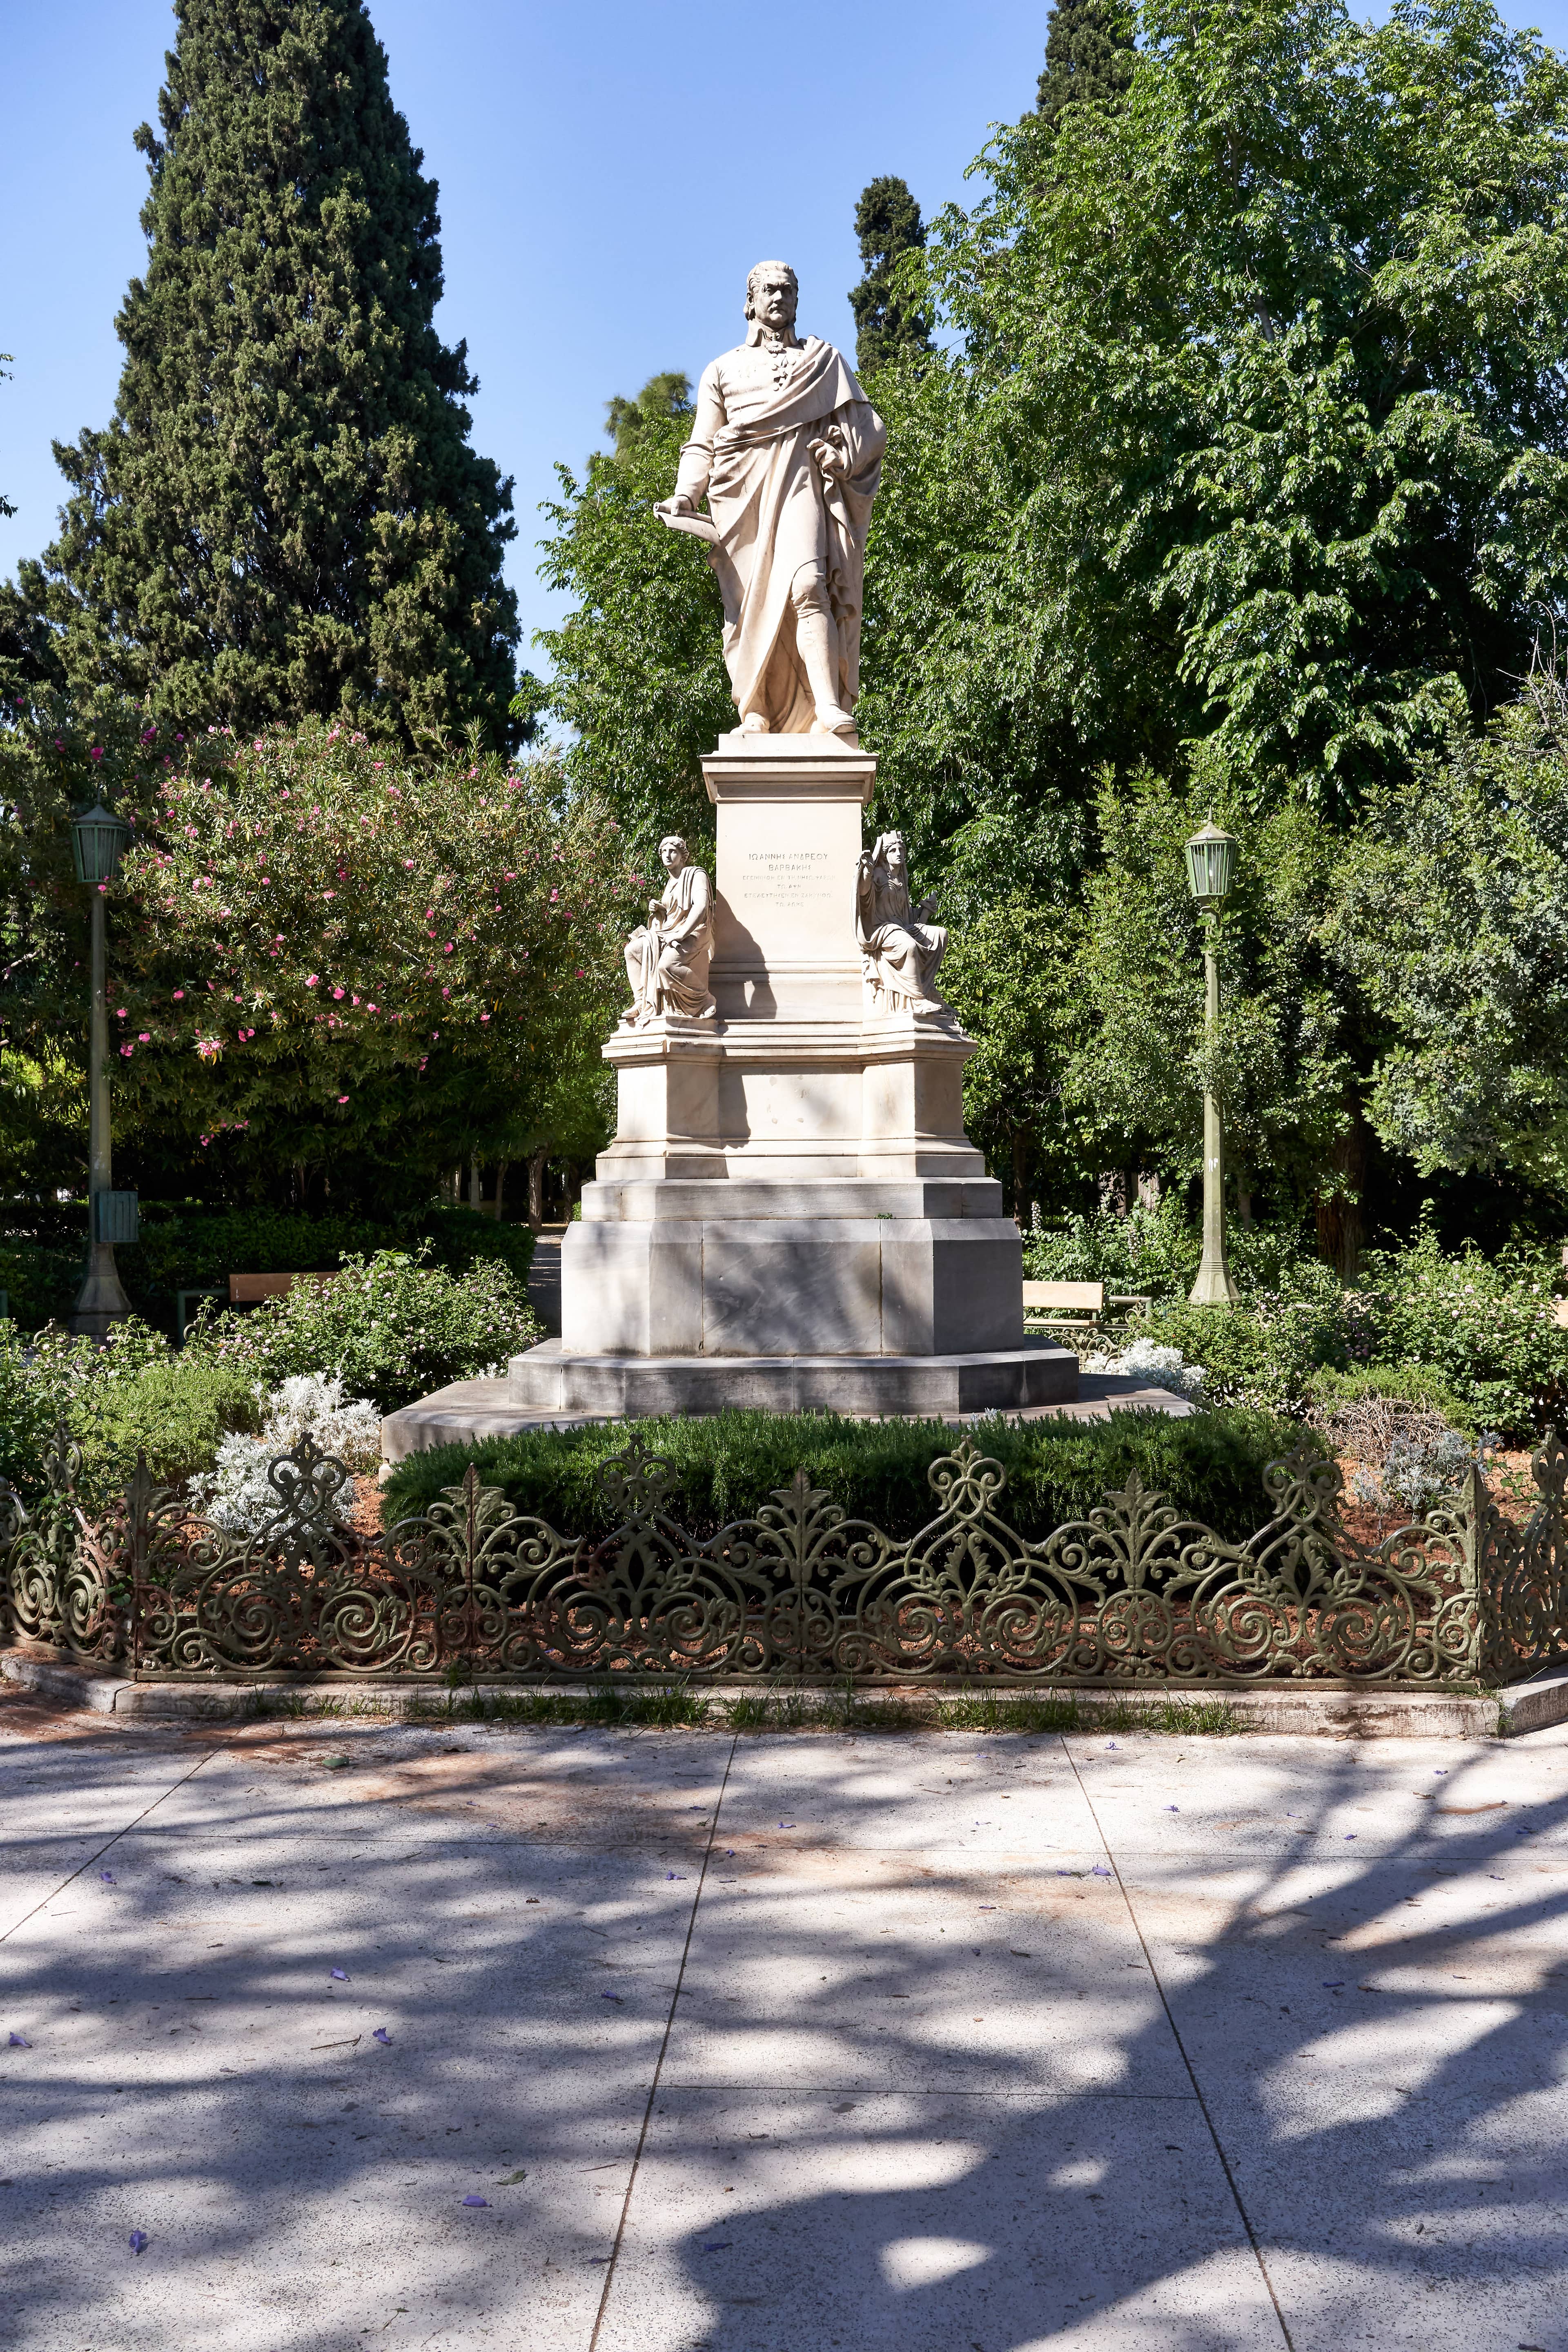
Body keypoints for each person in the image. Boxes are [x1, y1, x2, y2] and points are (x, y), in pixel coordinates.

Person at [655, 261, 885, 744]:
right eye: (768, 290)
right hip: (741, 500)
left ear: (797, 299)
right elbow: (703, 444)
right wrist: (685, 493)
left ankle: (827, 704)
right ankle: (755, 710)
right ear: (751, 301)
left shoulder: (824, 362)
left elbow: (870, 429)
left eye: (787, 290)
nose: (778, 298)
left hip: (800, 483)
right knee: (751, 606)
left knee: (809, 585)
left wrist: (841, 453)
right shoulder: (722, 369)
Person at [621, 835, 716, 1025]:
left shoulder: (696, 875)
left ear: (683, 856)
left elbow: (701, 906)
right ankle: (641, 1002)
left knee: (667, 966)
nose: (667, 855)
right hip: (669, 931)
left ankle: (705, 999)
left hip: (695, 931)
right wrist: (660, 910)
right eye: (664, 851)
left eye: (673, 851)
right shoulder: (670, 883)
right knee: (632, 951)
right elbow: (674, 913)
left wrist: (681, 934)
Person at [855, 831, 947, 1015]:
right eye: (893, 850)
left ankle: (929, 991)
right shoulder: (879, 874)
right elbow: (864, 894)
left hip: (902, 927)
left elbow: (904, 915)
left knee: (940, 934)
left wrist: (925, 910)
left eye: (901, 850)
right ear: (885, 854)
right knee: (909, 946)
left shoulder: (902, 878)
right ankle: (919, 1000)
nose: (899, 853)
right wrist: (868, 870)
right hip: (882, 929)